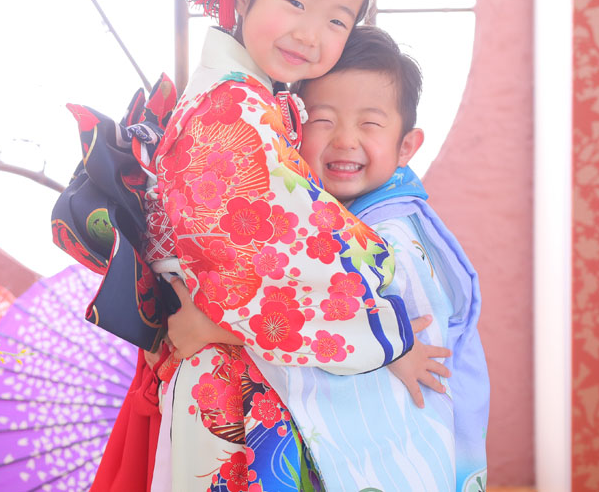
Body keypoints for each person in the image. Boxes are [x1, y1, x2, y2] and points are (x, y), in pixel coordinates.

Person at [139, 0, 443, 492]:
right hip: (231, 385)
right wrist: (385, 329)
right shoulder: (232, 111)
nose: (310, 34)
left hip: (231, 357)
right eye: (296, 2)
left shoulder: (248, 98)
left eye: (337, 20)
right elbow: (292, 255)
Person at [166, 25, 489, 491]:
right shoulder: (317, 214)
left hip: (402, 440)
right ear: (292, 129)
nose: (345, 140)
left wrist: (214, 329)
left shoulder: (395, 235)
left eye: (369, 124)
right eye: (323, 120)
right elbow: (315, 308)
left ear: (406, 147)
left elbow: (350, 332)